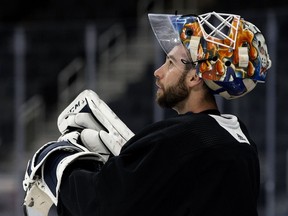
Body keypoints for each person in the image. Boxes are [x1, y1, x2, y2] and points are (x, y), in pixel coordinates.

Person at [22, 11, 271, 216]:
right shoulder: (241, 140)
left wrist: (57, 165)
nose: (158, 72)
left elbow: (101, 207)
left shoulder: (182, 139)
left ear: (196, 77)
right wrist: (133, 166)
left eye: (171, 63)